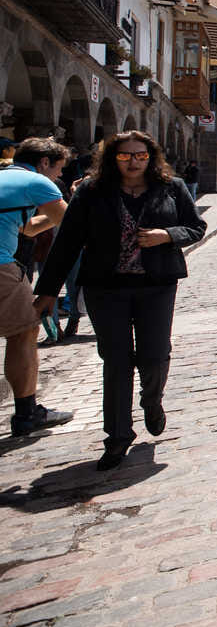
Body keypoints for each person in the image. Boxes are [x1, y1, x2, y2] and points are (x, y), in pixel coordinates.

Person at [33, 132, 206, 469]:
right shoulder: (92, 191)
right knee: (116, 362)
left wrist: (167, 235)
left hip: (156, 286)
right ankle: (117, 437)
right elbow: (67, 242)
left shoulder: (172, 187)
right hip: (105, 288)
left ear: (151, 156)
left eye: (140, 155)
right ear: (112, 157)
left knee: (155, 355)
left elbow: (196, 227)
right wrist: (49, 290)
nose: (133, 161)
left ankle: (152, 401)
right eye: (125, 156)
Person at [3, 138, 74, 437]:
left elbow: (28, 229)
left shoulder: (5, 176)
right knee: (24, 333)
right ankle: (27, 413)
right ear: (44, 162)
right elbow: (71, 223)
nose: (58, 177)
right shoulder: (36, 181)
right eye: (58, 170)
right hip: (1, 267)